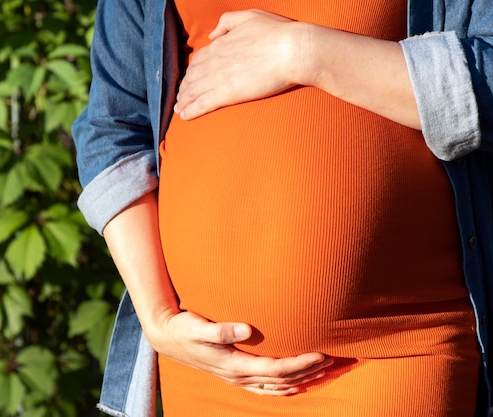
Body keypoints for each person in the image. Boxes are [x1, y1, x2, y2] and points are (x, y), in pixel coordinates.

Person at [72, 0, 493, 416]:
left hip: (395, 355)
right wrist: (159, 318)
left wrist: (304, 52)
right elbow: (113, 126)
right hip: (204, 365)